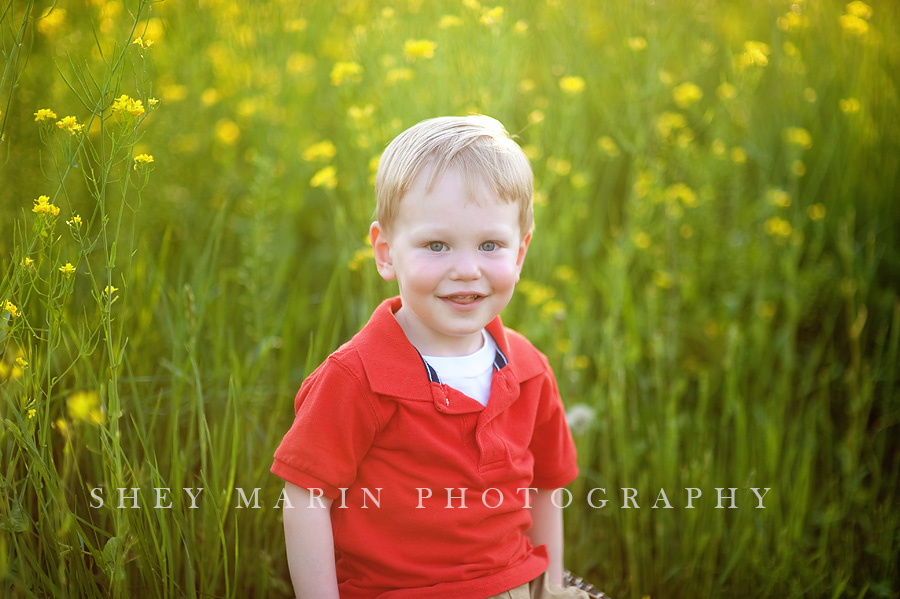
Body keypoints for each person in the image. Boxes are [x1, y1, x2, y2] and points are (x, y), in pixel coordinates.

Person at [272, 115, 588, 598]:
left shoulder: (527, 369)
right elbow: (306, 495)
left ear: (520, 253)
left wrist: (552, 588)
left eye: (490, 245)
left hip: (517, 582)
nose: (466, 270)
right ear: (385, 252)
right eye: (436, 245)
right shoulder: (356, 377)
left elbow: (548, 485)